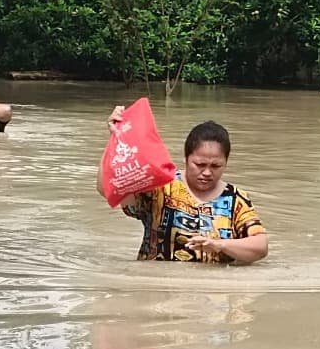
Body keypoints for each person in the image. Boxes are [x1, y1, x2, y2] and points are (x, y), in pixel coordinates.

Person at [97, 109, 269, 264]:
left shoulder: (235, 199)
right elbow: (108, 189)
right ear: (186, 159)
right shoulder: (161, 187)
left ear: (226, 163)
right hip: (156, 290)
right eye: (200, 164)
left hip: (213, 294)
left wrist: (219, 245)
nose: (207, 172)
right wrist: (115, 139)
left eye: (216, 166)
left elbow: (260, 246)